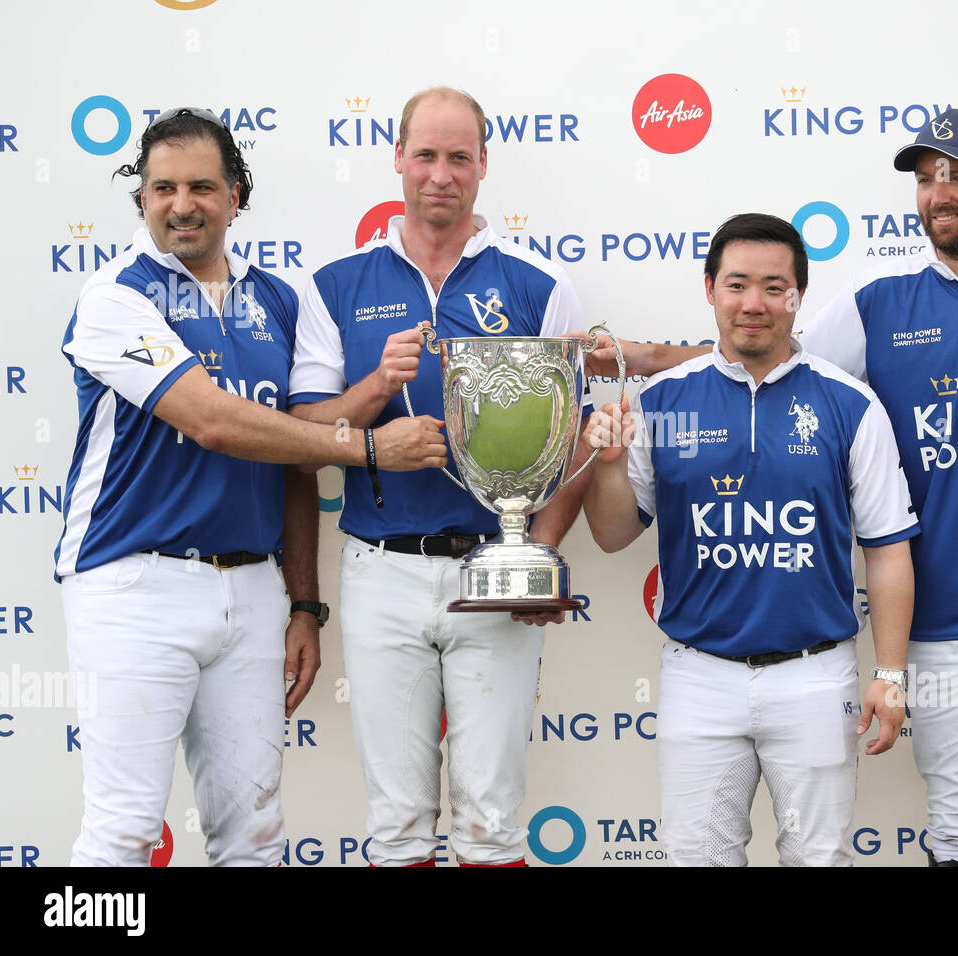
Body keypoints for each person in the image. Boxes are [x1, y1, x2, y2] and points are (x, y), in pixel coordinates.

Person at [595, 110, 958, 866]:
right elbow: (772, 356)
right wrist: (643, 357)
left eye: (957, 176)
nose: (939, 192)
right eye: (926, 177)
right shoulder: (877, 296)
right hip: (938, 627)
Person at [57, 108, 443, 866]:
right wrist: (366, 446)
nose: (182, 203)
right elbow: (212, 421)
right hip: (135, 585)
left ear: (236, 196)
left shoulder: (282, 298)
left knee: (255, 838)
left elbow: (292, 461)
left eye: (202, 185)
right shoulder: (116, 298)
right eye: (162, 187)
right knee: (124, 835)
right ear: (141, 199)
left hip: (254, 591)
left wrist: (302, 602)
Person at [288, 87, 591, 867]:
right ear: (397, 157)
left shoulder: (537, 286)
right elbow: (303, 436)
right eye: (425, 154)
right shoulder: (334, 286)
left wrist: (542, 556)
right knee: (397, 823)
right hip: (379, 570)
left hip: (492, 570)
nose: (440, 174)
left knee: (491, 821)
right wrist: (374, 397)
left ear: (485, 164)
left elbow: (573, 444)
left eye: (460, 157)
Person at [581, 213, 917, 866]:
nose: (753, 304)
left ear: (798, 296)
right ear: (710, 289)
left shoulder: (850, 404)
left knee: (818, 860)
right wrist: (611, 464)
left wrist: (891, 673)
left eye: (773, 287)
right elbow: (615, 534)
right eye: (737, 284)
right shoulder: (662, 400)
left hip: (816, 676)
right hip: (698, 678)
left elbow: (888, 550)